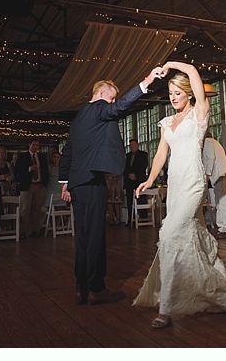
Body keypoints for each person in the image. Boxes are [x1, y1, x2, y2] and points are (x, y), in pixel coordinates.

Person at [133, 62, 226, 328]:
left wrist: (171, 65)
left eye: (178, 92)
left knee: (169, 234)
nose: (173, 97)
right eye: (171, 93)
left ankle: (165, 308)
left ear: (188, 94)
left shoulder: (199, 113)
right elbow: (161, 155)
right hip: (174, 184)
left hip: (194, 182)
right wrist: (150, 179)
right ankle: (220, 294)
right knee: (185, 238)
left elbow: (195, 76)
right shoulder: (166, 123)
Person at [59, 66, 163, 306]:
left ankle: (80, 288)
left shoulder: (78, 119)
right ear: (101, 92)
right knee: (95, 237)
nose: (113, 101)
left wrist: (65, 184)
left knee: (83, 238)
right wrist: (146, 80)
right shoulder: (99, 109)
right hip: (93, 182)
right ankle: (96, 289)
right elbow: (119, 107)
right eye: (112, 96)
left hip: (77, 185)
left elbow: (68, 154)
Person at [203, 129, 226, 238]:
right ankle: (222, 227)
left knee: (224, 203)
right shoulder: (215, 142)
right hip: (220, 175)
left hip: (221, 174)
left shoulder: (208, 142)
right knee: (220, 202)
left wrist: (207, 174)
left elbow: (210, 159)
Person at [15, 141, 49, 237]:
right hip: (27, 185)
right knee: (25, 209)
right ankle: (23, 231)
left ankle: (35, 230)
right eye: (33, 145)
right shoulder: (22, 156)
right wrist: (29, 169)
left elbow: (45, 170)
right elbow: (17, 170)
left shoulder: (42, 157)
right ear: (29, 145)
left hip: (39, 185)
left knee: (37, 209)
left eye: (37, 145)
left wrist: (44, 183)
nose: (35, 147)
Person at [0, 146, 15, 237]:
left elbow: (12, 176)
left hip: (7, 188)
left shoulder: (8, 164)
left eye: (3, 153)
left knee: (8, 207)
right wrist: (5, 176)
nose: (1, 154)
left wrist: (6, 177)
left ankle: (7, 227)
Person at [123, 139, 148, 226]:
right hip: (129, 182)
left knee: (141, 200)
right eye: (131, 145)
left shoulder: (143, 155)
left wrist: (135, 175)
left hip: (139, 181)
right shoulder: (127, 156)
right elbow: (124, 168)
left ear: (137, 145)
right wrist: (128, 175)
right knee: (130, 201)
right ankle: (131, 219)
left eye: (133, 145)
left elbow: (143, 166)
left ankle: (143, 218)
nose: (132, 147)